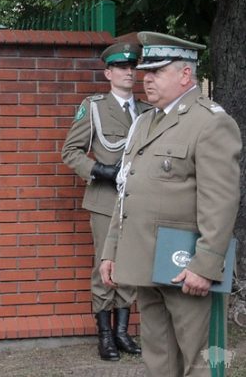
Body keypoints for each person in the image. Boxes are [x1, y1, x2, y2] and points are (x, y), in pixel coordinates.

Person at [99, 32, 241, 376]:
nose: (146, 79)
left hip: (186, 267)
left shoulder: (210, 122)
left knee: (202, 361)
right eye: (145, 71)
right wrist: (111, 250)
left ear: (185, 75)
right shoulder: (147, 121)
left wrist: (206, 265)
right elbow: (127, 192)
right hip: (147, 263)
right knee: (159, 358)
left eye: (157, 72)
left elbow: (220, 201)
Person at [62, 42, 151, 361]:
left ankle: (122, 332)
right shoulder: (95, 106)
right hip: (105, 200)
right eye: (122, 68)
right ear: (108, 73)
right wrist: (101, 170)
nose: (129, 72)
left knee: (130, 265)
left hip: (137, 202)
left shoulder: (146, 110)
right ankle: (104, 336)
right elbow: (70, 152)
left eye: (132, 67)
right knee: (105, 266)